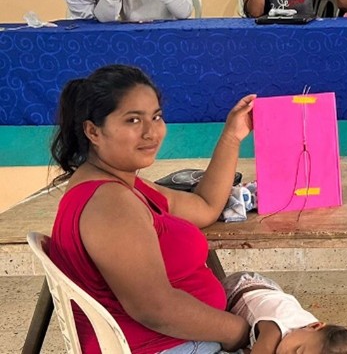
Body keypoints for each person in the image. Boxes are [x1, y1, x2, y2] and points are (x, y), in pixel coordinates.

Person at [46, 64, 253, 354]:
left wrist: (232, 135)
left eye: (156, 117)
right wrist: (240, 332)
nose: (151, 132)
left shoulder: (126, 185)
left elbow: (204, 207)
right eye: (133, 120)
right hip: (163, 347)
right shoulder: (110, 203)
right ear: (93, 131)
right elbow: (154, 308)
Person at [223, 272, 347, 354]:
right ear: (314, 326)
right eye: (297, 351)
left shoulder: (310, 339)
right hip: (241, 288)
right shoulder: (277, 329)